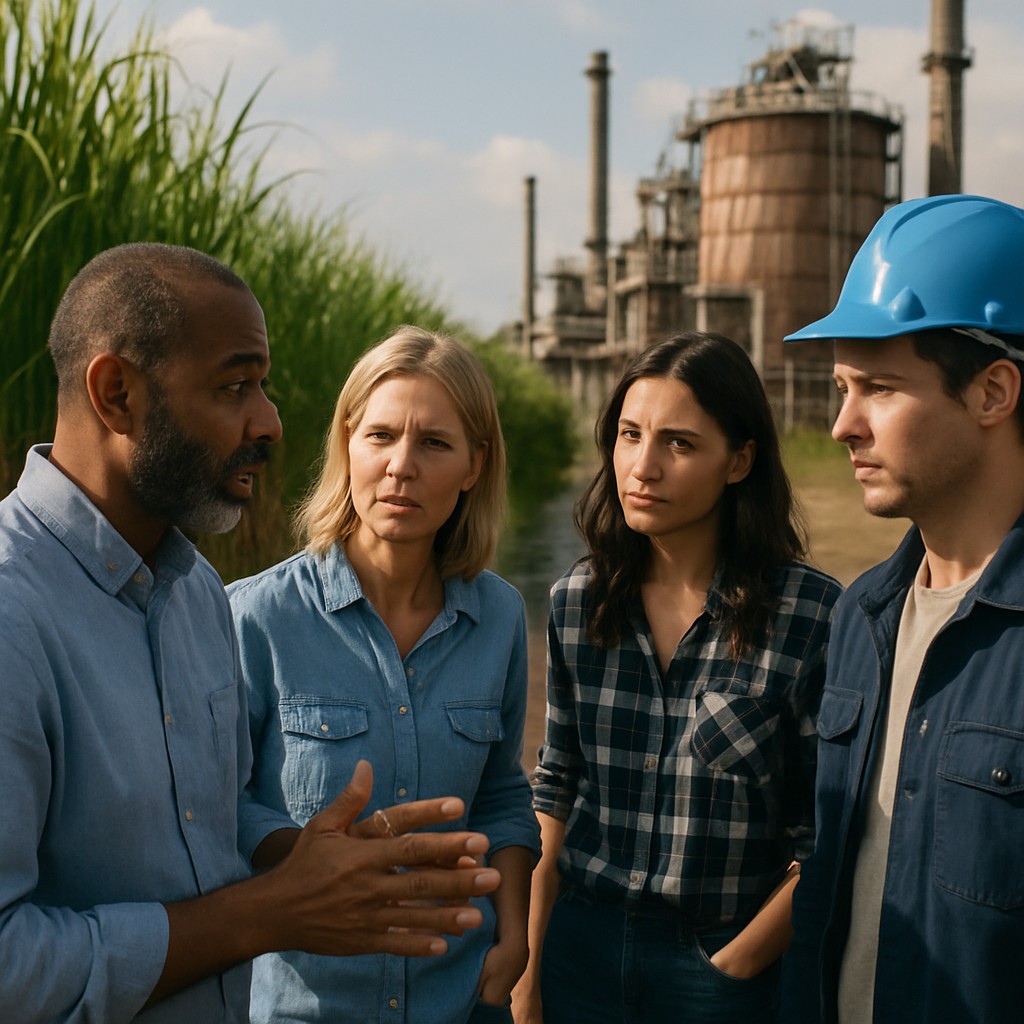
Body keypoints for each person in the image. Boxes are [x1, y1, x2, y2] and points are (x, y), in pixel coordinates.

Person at [0, 245, 503, 1024]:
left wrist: (312, 861)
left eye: (262, 386)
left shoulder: (196, 593)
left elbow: (211, 821)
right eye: (235, 386)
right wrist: (266, 915)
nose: (269, 422)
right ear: (117, 394)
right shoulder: (13, 613)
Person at [513, 332, 842, 1024]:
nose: (643, 466)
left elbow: (831, 834)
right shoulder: (579, 601)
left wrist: (738, 963)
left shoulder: (811, 616)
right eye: (630, 435)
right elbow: (556, 787)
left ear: (740, 460)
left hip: (720, 961)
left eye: (679, 444)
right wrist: (529, 965)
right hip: (582, 947)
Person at [228, 325, 541, 1023]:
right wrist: (309, 856)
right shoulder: (254, 618)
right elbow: (214, 804)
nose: (402, 466)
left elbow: (501, 792)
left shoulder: (499, 617)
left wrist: (514, 939)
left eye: (433, 443)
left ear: (473, 465)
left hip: (458, 997)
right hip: (305, 1006)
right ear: (347, 443)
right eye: (380, 436)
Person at [781, 193, 1024, 1023]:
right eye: (843, 387)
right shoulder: (860, 618)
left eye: (878, 388)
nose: (843, 423)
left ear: (993, 393)